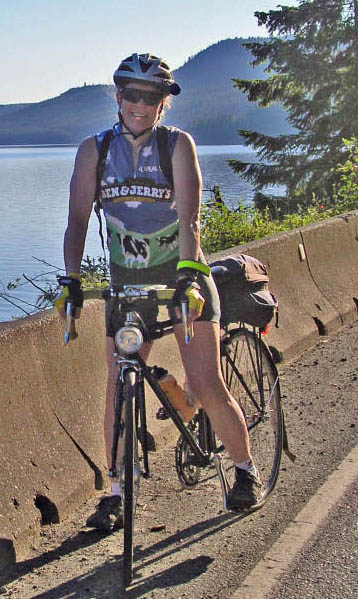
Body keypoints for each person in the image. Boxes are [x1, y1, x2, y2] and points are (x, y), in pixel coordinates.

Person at [57, 53, 262, 530]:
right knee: (117, 385)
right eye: (132, 95)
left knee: (206, 383)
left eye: (152, 98)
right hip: (127, 282)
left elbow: (189, 218)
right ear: (118, 96)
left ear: (163, 104)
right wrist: (71, 278)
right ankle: (115, 493)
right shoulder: (94, 151)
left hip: (183, 275)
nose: (140, 105)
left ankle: (245, 470)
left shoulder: (177, 145)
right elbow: (77, 220)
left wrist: (188, 276)